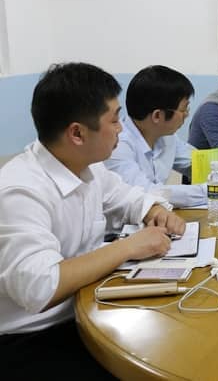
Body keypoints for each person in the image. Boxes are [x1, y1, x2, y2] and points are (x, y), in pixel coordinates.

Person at [0, 63, 185, 375]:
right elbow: (40, 287)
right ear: (77, 133)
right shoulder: (20, 190)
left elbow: (130, 198)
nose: (121, 129)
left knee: (171, 335)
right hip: (33, 335)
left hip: (87, 311)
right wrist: (128, 247)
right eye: (114, 119)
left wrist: (156, 211)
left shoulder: (88, 166)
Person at [105, 65, 218, 208]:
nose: (187, 114)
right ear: (157, 116)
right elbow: (147, 193)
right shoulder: (118, 145)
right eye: (183, 109)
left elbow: (200, 164)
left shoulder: (166, 136)